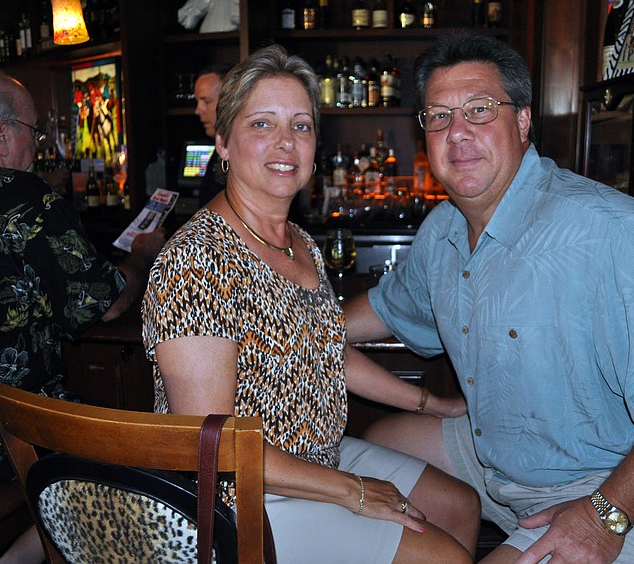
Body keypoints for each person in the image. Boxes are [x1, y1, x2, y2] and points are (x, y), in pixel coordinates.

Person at [344, 33, 634, 563]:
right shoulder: (444, 229)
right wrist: (296, 319)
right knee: (381, 442)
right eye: (439, 115)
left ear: (522, 120)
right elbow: (384, 309)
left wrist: (603, 513)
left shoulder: (609, 229)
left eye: (480, 110)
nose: (458, 133)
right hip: (507, 462)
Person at [141, 44, 479, 563]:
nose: (285, 142)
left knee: (458, 505)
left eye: (300, 126)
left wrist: (435, 405)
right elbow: (213, 442)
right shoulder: (195, 260)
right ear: (224, 142)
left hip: (318, 452)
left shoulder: (300, 242)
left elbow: (327, 353)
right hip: (243, 496)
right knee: (443, 556)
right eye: (261, 124)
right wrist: (351, 490)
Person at [0, 69, 166, 563]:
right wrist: (145, 255)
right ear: (1, 135)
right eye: (33, 133)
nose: (37, 148)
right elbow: (105, 304)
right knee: (137, 448)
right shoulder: (21, 198)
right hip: (2, 432)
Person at [194, 63, 231, 207]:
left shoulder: (245, 153)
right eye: (198, 102)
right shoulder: (221, 146)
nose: (198, 110)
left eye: (206, 101)